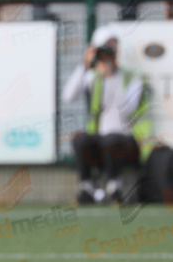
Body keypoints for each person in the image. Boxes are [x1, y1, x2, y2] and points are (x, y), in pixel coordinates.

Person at [62, 25, 151, 204]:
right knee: (80, 139)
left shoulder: (131, 77)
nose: (110, 51)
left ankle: (114, 187)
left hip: (126, 140)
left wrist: (110, 78)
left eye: (113, 46)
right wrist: (84, 65)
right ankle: (87, 188)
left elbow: (127, 110)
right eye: (105, 47)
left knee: (112, 139)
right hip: (100, 140)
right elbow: (67, 96)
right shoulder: (92, 77)